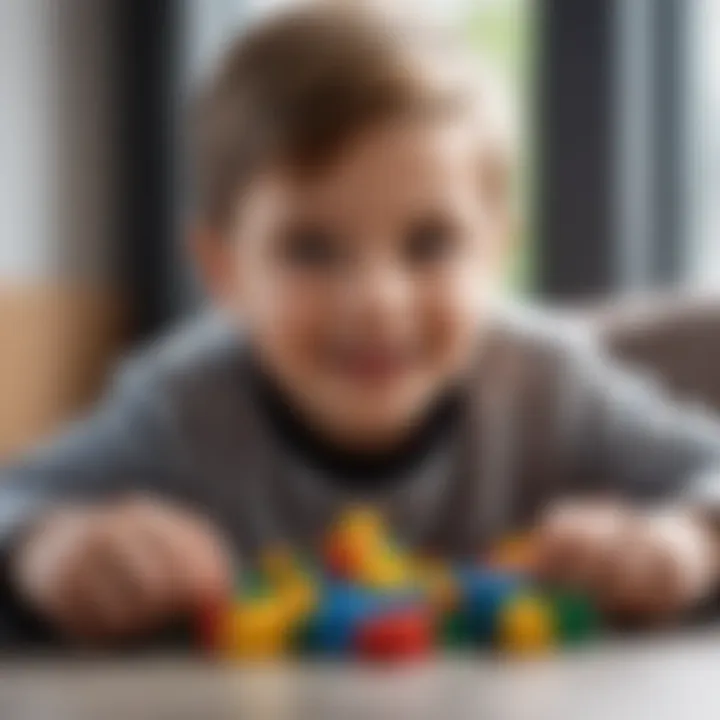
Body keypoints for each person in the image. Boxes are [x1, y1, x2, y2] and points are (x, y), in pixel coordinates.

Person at [1, 3, 719, 645]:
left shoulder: (551, 387)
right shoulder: (181, 409)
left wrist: (689, 540)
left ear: (497, 251)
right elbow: (15, 498)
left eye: (429, 244)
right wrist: (46, 548)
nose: (377, 300)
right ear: (223, 270)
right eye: (311, 249)